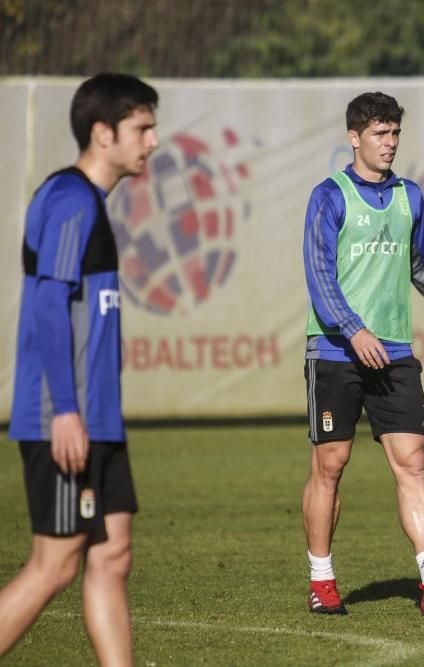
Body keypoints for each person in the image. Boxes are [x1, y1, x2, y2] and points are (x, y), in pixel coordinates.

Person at [301, 91, 424, 617]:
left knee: (413, 463)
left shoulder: (409, 195)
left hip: (396, 352)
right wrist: (353, 329)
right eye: (380, 134)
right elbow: (320, 276)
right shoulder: (329, 195)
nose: (390, 143)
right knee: (330, 464)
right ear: (354, 137)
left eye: (395, 134)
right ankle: (322, 579)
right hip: (336, 352)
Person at [1, 73, 159, 664]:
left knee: (112, 553)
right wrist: (66, 410)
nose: (154, 140)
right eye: (142, 127)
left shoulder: (88, 203)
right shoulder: (70, 200)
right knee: (55, 564)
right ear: (103, 133)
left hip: (97, 418)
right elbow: (47, 302)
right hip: (62, 417)